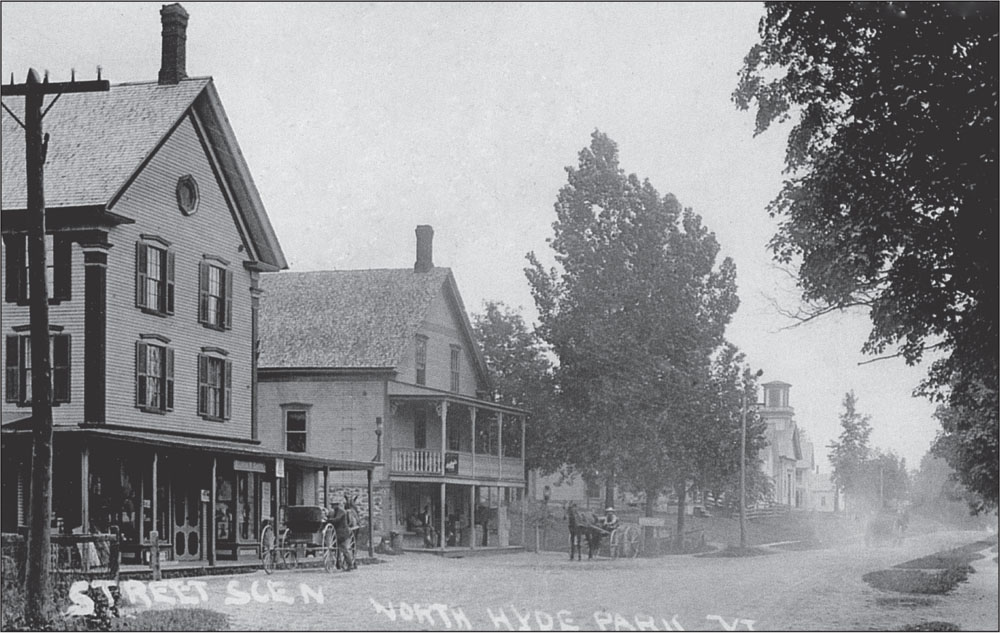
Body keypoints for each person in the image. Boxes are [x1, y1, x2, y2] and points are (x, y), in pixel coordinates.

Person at [327, 502, 356, 571]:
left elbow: (337, 519)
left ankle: (350, 565)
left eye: (333, 505)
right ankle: (339, 564)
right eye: (332, 505)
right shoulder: (335, 512)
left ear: (337, 505)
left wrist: (328, 520)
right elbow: (331, 517)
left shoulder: (341, 512)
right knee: (340, 549)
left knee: (345, 549)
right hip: (337, 533)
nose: (332, 507)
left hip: (343, 533)